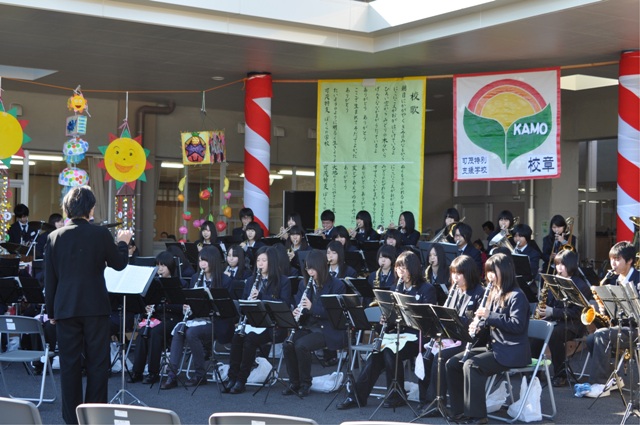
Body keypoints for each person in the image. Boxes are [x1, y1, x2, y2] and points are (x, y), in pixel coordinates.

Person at [44, 186, 132, 424]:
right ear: (90, 209)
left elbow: (50, 279)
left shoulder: (54, 237)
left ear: (67, 208)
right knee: (97, 364)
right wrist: (123, 243)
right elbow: (119, 264)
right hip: (94, 307)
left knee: (69, 365)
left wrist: (51, 311)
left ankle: (71, 419)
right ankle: (94, 417)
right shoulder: (100, 234)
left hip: (65, 308)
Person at [337, 251, 436, 409]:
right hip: (396, 334)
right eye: (398, 268)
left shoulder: (426, 289)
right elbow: (390, 317)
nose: (400, 271)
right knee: (377, 355)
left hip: (417, 336)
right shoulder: (394, 288)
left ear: (414, 268)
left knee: (390, 352)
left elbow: (427, 320)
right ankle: (357, 396)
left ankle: (396, 394)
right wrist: (385, 319)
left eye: (403, 268)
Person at [446, 253, 530, 425]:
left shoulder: (517, 295)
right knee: (453, 363)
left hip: (511, 351)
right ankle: (459, 411)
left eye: (493, 271)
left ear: (505, 271)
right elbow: (489, 322)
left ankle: (477, 416)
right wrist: (478, 325)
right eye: (488, 271)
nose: (490, 276)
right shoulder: (493, 293)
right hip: (496, 347)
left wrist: (489, 316)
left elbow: (517, 325)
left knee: (472, 365)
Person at [418, 255, 484, 412]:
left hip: (470, 342)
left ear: (469, 273)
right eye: (453, 273)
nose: (455, 277)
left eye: (459, 273)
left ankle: (436, 402)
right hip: (453, 338)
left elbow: (478, 324)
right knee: (426, 353)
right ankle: (425, 399)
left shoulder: (479, 292)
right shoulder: (455, 291)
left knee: (440, 357)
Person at [161, 246, 233, 389]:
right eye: (200, 260)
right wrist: (189, 305)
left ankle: (200, 374)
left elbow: (227, 308)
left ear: (213, 261)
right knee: (179, 330)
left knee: (191, 333)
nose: (202, 264)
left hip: (217, 322)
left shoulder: (225, 280)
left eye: (205, 260)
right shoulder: (195, 278)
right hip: (197, 319)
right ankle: (171, 375)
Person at [225, 246, 292, 394]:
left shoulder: (283, 281)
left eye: (264, 260)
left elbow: (284, 304)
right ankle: (232, 377)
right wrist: (248, 302)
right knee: (237, 337)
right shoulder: (250, 281)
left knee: (250, 340)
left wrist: (261, 297)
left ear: (272, 262)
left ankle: (242, 380)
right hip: (252, 323)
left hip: (274, 326)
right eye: (258, 260)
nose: (260, 264)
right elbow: (242, 308)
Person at [282, 249, 347, 397]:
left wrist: (312, 308)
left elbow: (334, 313)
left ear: (321, 267)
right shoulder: (303, 284)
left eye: (313, 269)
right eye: (307, 269)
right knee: (288, 344)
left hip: (327, 329)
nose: (310, 272)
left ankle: (305, 383)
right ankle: (294, 382)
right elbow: (300, 303)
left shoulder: (337, 285)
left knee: (301, 345)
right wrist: (298, 311)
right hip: (308, 326)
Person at [585, 242, 639, 398]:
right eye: (611, 259)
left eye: (617, 259)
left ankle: (599, 383)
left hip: (636, 328)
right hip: (621, 327)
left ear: (629, 261)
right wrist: (605, 310)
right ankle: (612, 379)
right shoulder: (613, 281)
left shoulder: (638, 279)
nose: (613, 264)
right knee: (591, 338)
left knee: (601, 335)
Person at [532, 249, 591, 387]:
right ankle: (535, 370)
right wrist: (544, 310)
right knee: (535, 329)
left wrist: (552, 311)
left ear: (571, 265)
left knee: (553, 333)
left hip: (574, 325)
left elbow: (576, 313)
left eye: (562, 264)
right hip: (557, 320)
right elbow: (550, 305)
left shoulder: (580, 285)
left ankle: (561, 374)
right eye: (557, 264)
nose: (558, 268)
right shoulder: (555, 281)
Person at [129, 251, 186, 385]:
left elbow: (182, 307)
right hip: (158, 317)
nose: (159, 269)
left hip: (173, 319)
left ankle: (153, 372)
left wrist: (160, 307)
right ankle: (137, 371)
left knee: (156, 332)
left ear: (170, 266)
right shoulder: (154, 283)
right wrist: (147, 308)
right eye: (158, 265)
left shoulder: (181, 283)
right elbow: (148, 302)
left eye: (163, 265)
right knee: (143, 332)